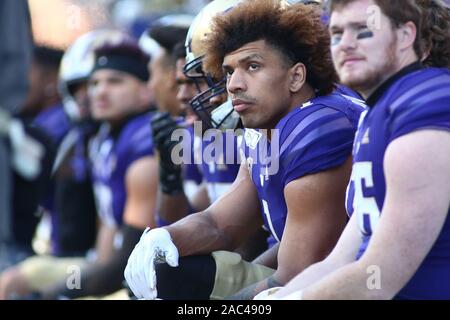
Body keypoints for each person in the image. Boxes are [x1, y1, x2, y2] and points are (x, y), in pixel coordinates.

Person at [124, 0, 365, 300]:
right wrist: (164, 239)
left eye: (253, 66)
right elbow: (221, 225)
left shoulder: (319, 123)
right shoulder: (263, 127)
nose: (233, 85)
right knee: (165, 270)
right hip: (307, 278)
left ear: (296, 76)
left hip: (344, 285)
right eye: (226, 72)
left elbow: (295, 275)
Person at [263, 0, 450, 300]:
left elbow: (380, 278)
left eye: (363, 30)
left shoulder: (428, 102)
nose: (344, 44)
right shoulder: (374, 113)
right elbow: (338, 262)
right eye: (336, 33)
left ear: (408, 38)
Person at [0, 35, 158, 299]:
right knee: (15, 280)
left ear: (146, 91)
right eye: (94, 83)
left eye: (115, 82)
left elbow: (125, 264)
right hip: (101, 265)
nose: (99, 91)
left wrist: (55, 294)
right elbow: (104, 250)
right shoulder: (103, 139)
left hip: (140, 278)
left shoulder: (144, 141)